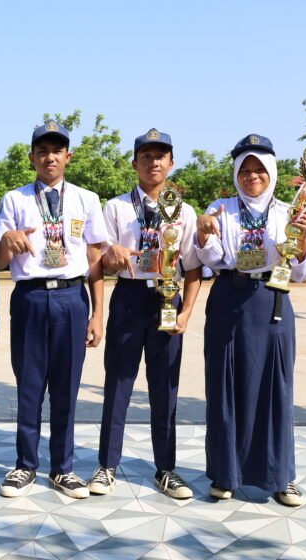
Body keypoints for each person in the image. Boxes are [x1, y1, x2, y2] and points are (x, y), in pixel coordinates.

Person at [195, 134, 306, 507]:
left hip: (272, 301)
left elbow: (303, 272)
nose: (252, 177)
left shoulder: (289, 211)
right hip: (230, 298)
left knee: (275, 389)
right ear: (235, 173)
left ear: (272, 173)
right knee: (225, 386)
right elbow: (214, 261)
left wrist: (303, 240)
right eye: (244, 170)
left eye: (259, 170)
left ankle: (282, 477)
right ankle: (224, 474)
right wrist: (204, 234)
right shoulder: (221, 208)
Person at [0, 121, 108, 499]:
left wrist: (97, 313)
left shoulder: (87, 199)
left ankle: (63, 468)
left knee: (66, 387)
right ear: (32, 158)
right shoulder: (15, 199)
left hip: (73, 299)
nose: (50, 157)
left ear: (68, 157)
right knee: (29, 385)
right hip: (29, 297)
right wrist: (8, 242)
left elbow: (95, 261)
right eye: (42, 151)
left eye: (57, 150)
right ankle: (25, 465)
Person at [90, 129, 202, 499]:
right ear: (134, 162)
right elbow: (100, 261)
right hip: (129, 299)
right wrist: (112, 253)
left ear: (171, 162)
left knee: (165, 389)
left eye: (161, 156)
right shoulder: (117, 207)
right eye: (146, 155)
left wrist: (186, 312)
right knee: (118, 385)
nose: (153, 162)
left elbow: (193, 268)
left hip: (167, 303)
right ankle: (107, 465)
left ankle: (166, 469)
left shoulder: (185, 210)